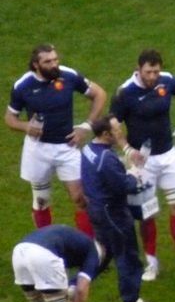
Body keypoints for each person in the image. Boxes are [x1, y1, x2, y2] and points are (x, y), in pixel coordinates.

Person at [110, 48, 175, 280]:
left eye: (156, 72)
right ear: (138, 70)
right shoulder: (125, 92)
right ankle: (151, 262)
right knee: (147, 213)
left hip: (169, 156)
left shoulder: (167, 81)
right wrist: (126, 148)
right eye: (148, 72)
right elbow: (113, 122)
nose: (153, 77)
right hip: (143, 163)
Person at [5, 44, 106, 232]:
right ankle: (47, 245)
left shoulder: (68, 75)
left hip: (67, 146)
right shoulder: (23, 86)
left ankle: (89, 248)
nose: (54, 64)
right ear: (36, 65)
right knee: (42, 201)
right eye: (48, 61)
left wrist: (86, 126)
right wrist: (26, 126)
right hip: (38, 150)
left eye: (55, 59)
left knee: (81, 198)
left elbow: (99, 94)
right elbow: (10, 118)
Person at [80, 116, 157, 302]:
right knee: (128, 255)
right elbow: (125, 187)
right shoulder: (107, 159)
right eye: (116, 130)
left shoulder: (88, 149)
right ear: (105, 134)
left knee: (103, 255)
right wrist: (133, 174)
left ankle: (73, 286)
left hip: (97, 208)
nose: (120, 132)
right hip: (112, 213)